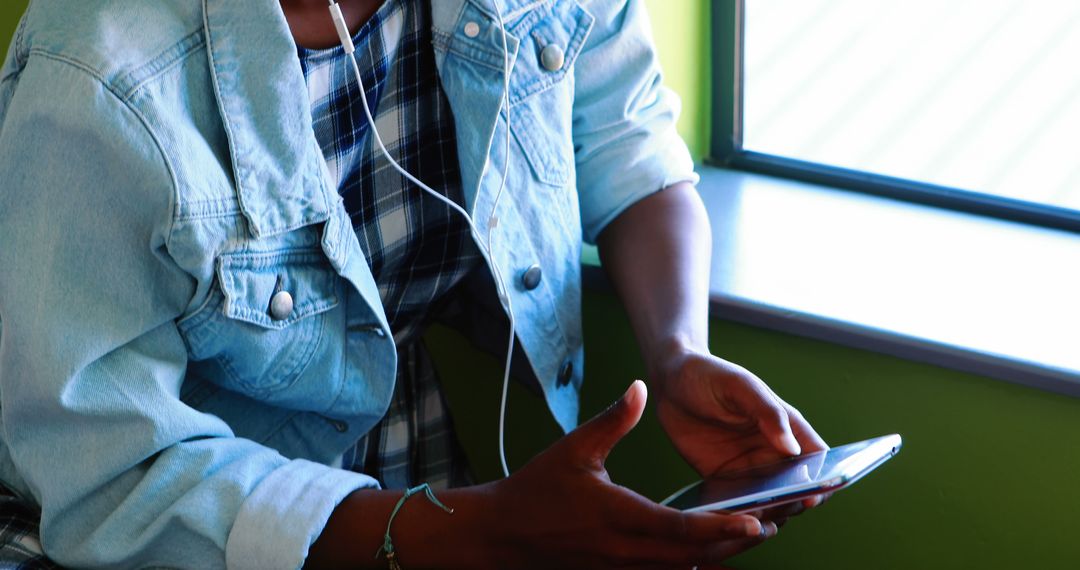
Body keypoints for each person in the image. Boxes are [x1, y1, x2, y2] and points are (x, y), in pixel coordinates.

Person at [0, 0, 827, 567]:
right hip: (179, 537)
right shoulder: (100, 81)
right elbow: (110, 478)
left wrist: (679, 354)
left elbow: (627, 135)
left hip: (423, 488)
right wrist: (482, 532)